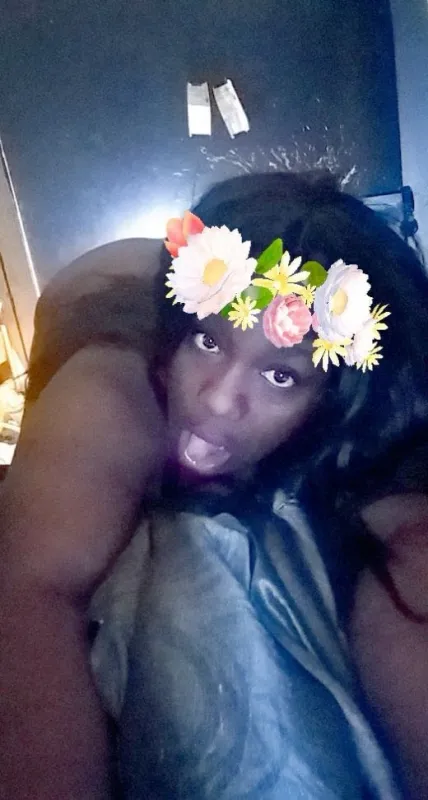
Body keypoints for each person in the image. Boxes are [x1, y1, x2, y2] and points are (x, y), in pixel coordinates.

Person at [1, 172, 428, 799]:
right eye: (207, 343)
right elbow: (28, 597)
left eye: (280, 377)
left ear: (335, 397)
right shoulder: (112, 396)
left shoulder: (377, 432)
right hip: (105, 284)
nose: (220, 401)